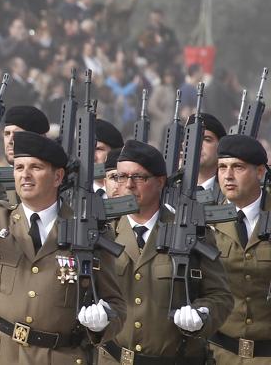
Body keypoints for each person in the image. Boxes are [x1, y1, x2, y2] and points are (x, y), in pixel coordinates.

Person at [0, 131, 127, 364]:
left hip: (59, 356)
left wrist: (103, 322)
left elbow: (116, 304)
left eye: (35, 168)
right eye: (19, 168)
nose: (25, 176)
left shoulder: (87, 231)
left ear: (58, 176)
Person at [97, 139, 231, 364]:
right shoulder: (103, 232)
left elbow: (221, 296)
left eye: (138, 177)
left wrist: (202, 314)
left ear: (160, 182)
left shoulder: (190, 233)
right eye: (121, 176)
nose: (128, 185)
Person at [211, 134, 271, 363]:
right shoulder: (205, 220)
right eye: (222, 167)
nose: (227, 176)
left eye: (238, 167)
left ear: (259, 172)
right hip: (220, 354)